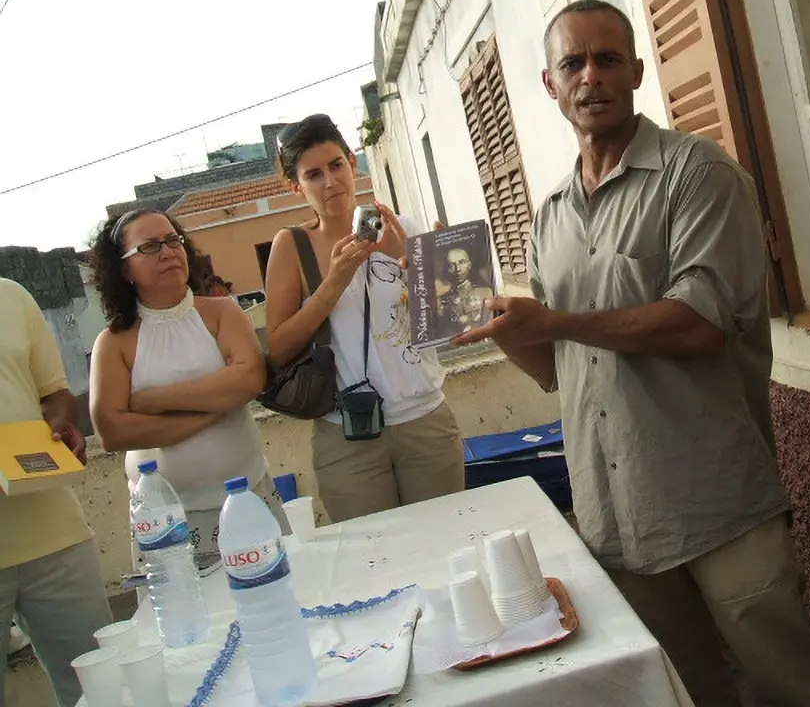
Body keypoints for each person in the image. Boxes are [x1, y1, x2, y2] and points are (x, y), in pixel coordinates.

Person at [455, 0, 810, 706]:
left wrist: (557, 321)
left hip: (718, 500)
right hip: (615, 516)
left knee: (790, 687)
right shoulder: (550, 216)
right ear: (549, 84)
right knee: (681, 691)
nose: (591, 76)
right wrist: (514, 335)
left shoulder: (698, 175)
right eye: (573, 62)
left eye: (607, 59)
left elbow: (698, 327)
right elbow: (557, 370)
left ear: (635, 70)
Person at [263, 113, 464, 523]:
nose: (330, 182)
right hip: (347, 433)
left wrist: (441, 274)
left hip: (425, 418)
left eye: (337, 165)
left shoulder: (401, 227)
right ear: (295, 185)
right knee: (376, 563)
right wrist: (333, 282)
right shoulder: (292, 246)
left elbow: (450, 322)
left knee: (446, 545)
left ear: (353, 164)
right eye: (313, 174)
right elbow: (280, 347)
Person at [88, 209, 287, 570]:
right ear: (123, 269)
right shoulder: (113, 343)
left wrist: (153, 400)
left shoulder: (223, 312)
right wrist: (214, 409)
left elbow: (248, 380)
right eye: (149, 247)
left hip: (248, 501)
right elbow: (113, 431)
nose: (167, 252)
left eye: (172, 240)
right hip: (167, 526)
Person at [0, 277, 113, 707]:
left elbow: (55, 392)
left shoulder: (12, 295)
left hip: (56, 535)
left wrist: (63, 425)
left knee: (99, 689)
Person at [437, 246, 493, 334]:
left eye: (461, 262)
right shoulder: (443, 301)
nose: (458, 269)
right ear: (446, 269)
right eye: (451, 265)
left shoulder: (485, 292)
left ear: (469, 265)